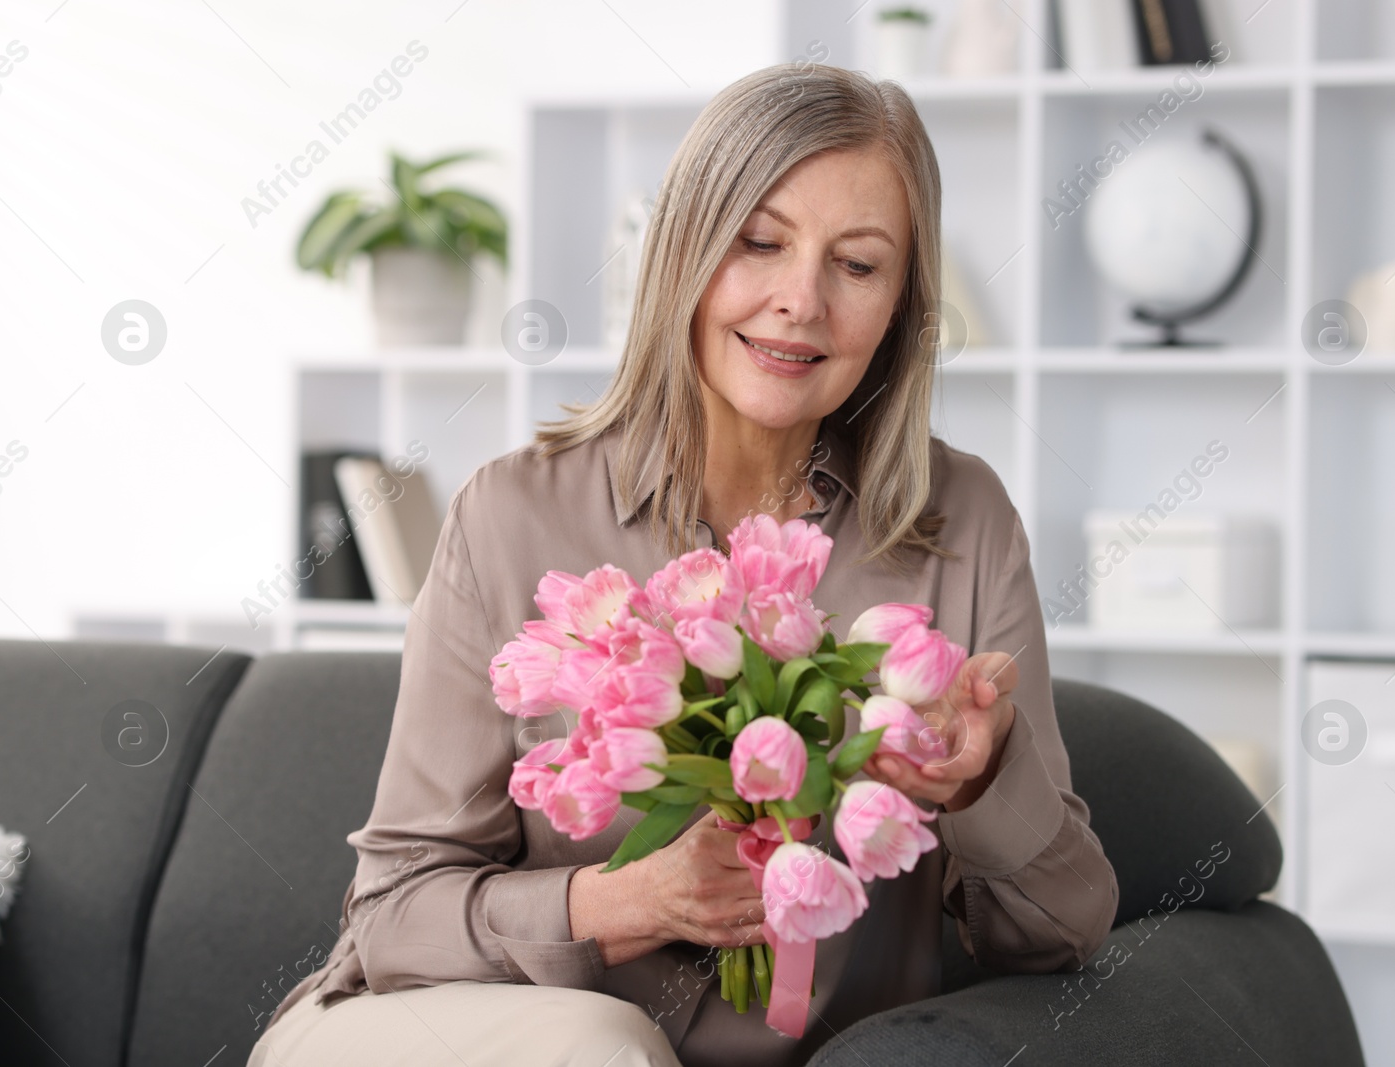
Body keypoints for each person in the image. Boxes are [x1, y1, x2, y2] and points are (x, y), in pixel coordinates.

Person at [248, 62, 1118, 1067]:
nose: (801, 301)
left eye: (859, 264)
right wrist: (630, 900)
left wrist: (981, 788)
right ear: (683, 253)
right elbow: (391, 917)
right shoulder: (510, 513)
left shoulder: (959, 522)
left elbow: (1067, 931)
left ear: (899, 308)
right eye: (758, 242)